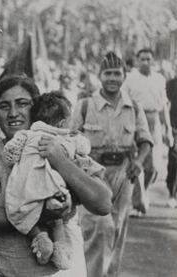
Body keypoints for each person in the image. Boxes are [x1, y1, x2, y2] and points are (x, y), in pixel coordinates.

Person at [0, 75, 112, 277]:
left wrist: (60, 161)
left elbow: (103, 203)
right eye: (4, 106)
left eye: (22, 104)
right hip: (1, 268)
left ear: (37, 109)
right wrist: (40, 213)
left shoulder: (65, 146)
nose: (13, 113)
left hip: (57, 270)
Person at [71, 52, 153, 277]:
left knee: (116, 229)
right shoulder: (85, 106)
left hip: (124, 175)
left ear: (124, 76)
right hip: (92, 175)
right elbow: (68, 138)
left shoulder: (133, 107)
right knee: (98, 228)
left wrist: (138, 161)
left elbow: (145, 141)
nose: (112, 79)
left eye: (117, 74)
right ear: (99, 76)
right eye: (108, 73)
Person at [3, 92, 105, 269]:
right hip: (54, 189)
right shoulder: (67, 140)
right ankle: (60, 250)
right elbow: (84, 146)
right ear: (63, 123)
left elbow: (10, 153)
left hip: (27, 188)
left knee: (25, 213)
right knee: (57, 217)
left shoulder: (27, 135)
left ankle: (40, 239)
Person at [122, 48, 173, 214]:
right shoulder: (130, 79)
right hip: (135, 119)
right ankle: (138, 202)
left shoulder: (159, 79)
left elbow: (164, 105)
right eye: (142, 59)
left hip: (153, 119)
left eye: (148, 59)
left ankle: (143, 192)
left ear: (153, 60)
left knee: (154, 166)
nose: (145, 62)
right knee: (137, 160)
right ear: (137, 61)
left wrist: (168, 129)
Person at [166, 63, 177, 208]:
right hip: (175, 127)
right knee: (174, 161)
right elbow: (167, 106)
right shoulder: (171, 85)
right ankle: (172, 194)